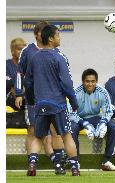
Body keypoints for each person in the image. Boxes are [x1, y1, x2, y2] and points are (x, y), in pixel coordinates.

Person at [24, 24, 80, 176]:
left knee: (38, 137)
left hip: (40, 104)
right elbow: (67, 83)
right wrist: (74, 102)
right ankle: (75, 168)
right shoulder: (59, 57)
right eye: (58, 35)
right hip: (58, 105)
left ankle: (32, 165)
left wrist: (30, 100)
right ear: (50, 38)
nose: (59, 38)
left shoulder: (34, 58)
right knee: (66, 135)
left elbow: (28, 82)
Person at [14, 21, 67, 174]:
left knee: (55, 131)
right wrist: (19, 93)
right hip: (33, 98)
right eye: (43, 31)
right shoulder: (28, 51)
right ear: (37, 34)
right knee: (33, 130)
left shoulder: (56, 52)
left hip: (54, 99)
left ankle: (58, 163)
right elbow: (20, 73)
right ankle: (32, 163)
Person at [68, 68, 115, 171]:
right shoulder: (75, 92)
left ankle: (106, 161)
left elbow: (108, 111)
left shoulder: (102, 91)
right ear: (83, 82)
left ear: (96, 81)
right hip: (79, 119)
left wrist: (103, 122)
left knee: (114, 127)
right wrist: (85, 123)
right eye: (87, 81)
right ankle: (75, 162)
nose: (90, 84)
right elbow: (70, 113)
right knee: (72, 128)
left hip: (96, 117)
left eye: (93, 81)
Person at [6, 38, 26, 109]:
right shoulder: (6, 65)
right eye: (19, 49)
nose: (22, 52)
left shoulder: (29, 66)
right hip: (9, 103)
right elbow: (9, 85)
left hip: (26, 103)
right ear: (12, 50)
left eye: (23, 50)